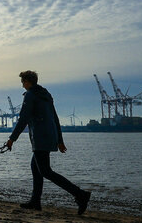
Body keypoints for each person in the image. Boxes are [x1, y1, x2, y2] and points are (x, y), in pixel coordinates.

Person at [5, 70, 91, 215]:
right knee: (36, 168)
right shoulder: (46, 95)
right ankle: (35, 202)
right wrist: (59, 140)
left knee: (45, 171)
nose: (22, 86)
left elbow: (23, 119)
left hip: (39, 138)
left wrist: (12, 139)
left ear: (27, 82)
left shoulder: (30, 95)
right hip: (49, 136)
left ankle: (80, 194)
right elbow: (55, 118)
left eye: (23, 82)